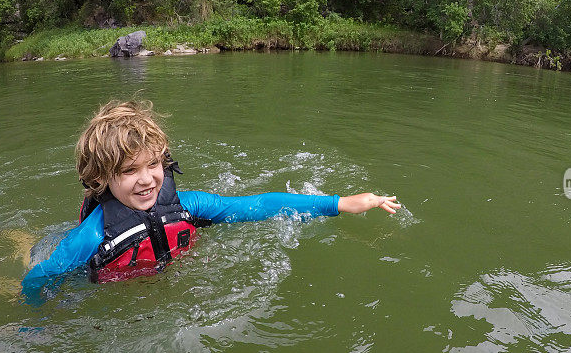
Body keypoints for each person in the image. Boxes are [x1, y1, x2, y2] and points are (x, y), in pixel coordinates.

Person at [22, 100, 400, 291]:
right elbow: (38, 280)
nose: (147, 180)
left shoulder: (189, 205)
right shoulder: (90, 237)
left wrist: (339, 203)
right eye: (128, 171)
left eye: (153, 165)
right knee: (29, 257)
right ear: (102, 178)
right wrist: (35, 328)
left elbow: (258, 205)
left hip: (160, 275)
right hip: (100, 281)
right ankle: (19, 240)